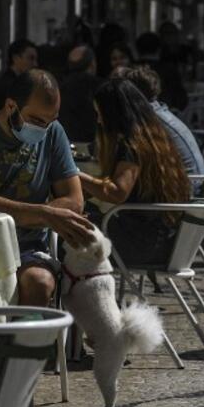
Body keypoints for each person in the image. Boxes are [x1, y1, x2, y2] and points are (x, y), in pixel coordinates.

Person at [0, 69, 94, 309]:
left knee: (40, 282)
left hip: (28, 247)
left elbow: (74, 201)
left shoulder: (54, 133)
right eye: (36, 121)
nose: (43, 128)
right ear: (11, 106)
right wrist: (45, 214)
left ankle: (26, 346)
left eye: (50, 121)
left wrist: (35, 215)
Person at [79, 79, 191, 267]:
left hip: (140, 244)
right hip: (163, 239)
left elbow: (117, 192)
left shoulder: (131, 147)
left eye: (100, 113)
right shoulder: (152, 139)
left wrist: (75, 175)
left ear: (113, 114)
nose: (98, 120)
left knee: (65, 232)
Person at [111, 65, 204, 178]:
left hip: (190, 185)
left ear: (133, 93)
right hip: (197, 181)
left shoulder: (149, 120)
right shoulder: (159, 112)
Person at [59, 45, 103, 144]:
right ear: (93, 64)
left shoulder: (59, 87)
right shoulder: (101, 86)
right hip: (94, 144)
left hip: (65, 144)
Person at [0, 38, 38, 113]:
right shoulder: (10, 86)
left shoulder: (10, 82)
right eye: (30, 58)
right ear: (16, 58)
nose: (35, 64)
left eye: (35, 59)